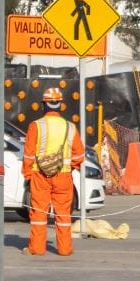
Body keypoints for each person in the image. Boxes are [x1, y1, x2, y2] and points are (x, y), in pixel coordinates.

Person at [22, 87, 85, 256]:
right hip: (63, 175)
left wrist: (27, 175)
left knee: (39, 212)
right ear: (60, 105)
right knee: (63, 214)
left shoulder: (36, 126)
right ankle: (64, 249)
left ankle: (36, 248)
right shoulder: (70, 127)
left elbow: (28, 154)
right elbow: (80, 154)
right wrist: (70, 167)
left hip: (40, 176)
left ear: (44, 105)